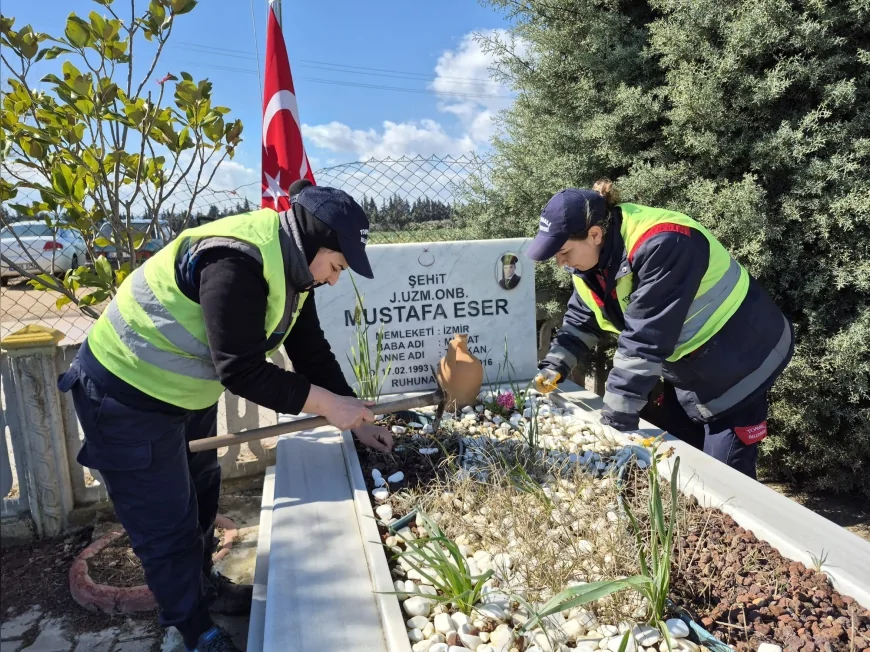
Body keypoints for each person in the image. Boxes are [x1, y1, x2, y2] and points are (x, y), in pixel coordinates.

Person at [57, 179, 393, 652]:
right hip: (125, 392)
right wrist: (326, 405)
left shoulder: (297, 270)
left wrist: (358, 418)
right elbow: (241, 370)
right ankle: (196, 630)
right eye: (337, 266)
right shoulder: (236, 261)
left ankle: (204, 588)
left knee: (201, 492)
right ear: (316, 244)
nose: (335, 279)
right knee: (166, 522)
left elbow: (311, 352)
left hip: (182, 393)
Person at [530, 180, 794, 478]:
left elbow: (645, 338)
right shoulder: (590, 263)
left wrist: (614, 422)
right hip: (694, 365)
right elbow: (582, 317)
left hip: (744, 358)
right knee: (682, 468)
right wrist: (554, 367)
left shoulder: (665, 243)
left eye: (564, 251)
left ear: (594, 234)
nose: (560, 262)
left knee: (725, 479)